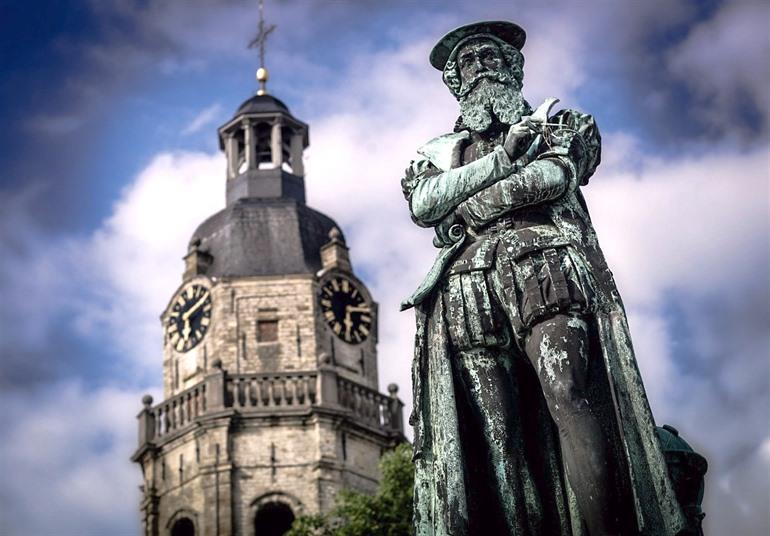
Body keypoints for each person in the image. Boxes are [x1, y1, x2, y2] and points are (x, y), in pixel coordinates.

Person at [401, 21, 686, 535]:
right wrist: (506, 159)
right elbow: (424, 204)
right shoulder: (436, 149)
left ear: (512, 67)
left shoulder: (559, 121)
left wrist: (467, 205)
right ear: (456, 82)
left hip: (545, 263)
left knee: (568, 395)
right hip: (465, 284)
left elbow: (552, 178)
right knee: (494, 435)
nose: (479, 66)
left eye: (490, 56)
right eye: (466, 62)